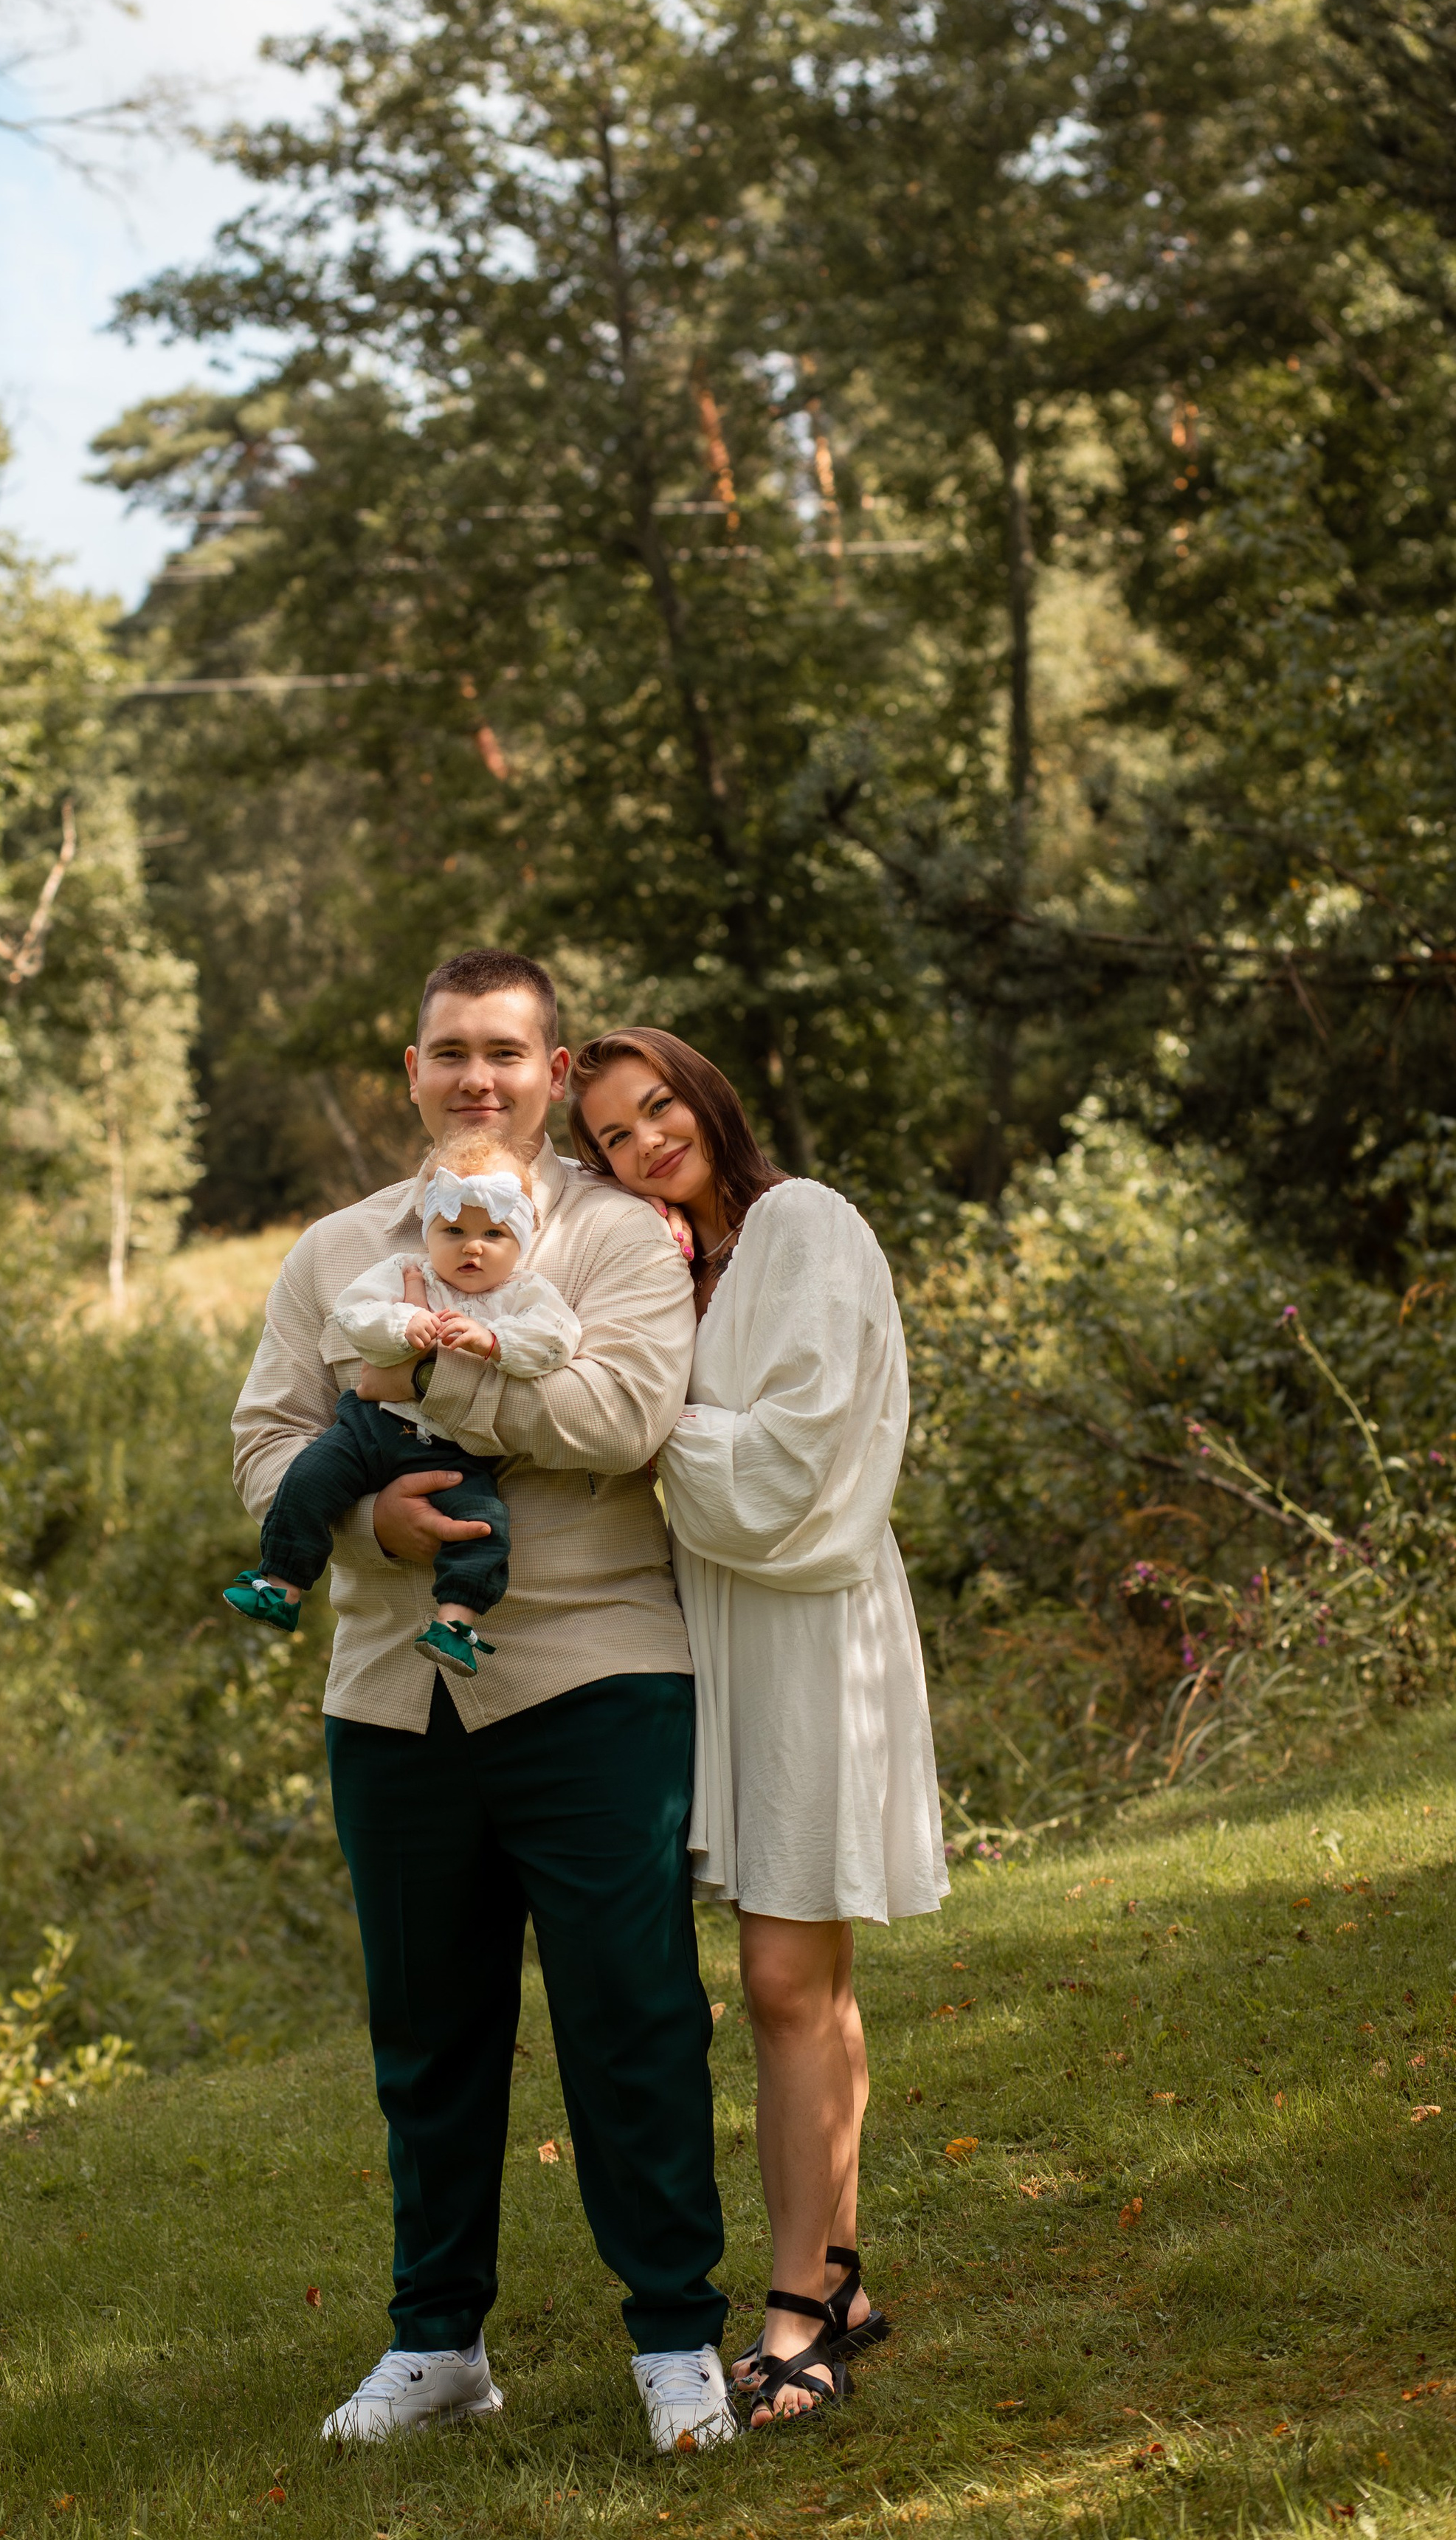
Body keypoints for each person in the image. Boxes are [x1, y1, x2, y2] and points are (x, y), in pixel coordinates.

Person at [231, 953, 738, 2453]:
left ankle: (673, 2341)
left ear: (550, 1061)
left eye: (506, 1052)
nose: (478, 1078)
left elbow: (620, 1417)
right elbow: (267, 1439)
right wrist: (363, 1517)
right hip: (389, 1695)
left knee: (628, 2017)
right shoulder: (335, 1251)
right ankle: (436, 2342)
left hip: (593, 1674)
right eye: (449, 1051)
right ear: (410, 1068)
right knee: (427, 2038)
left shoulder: (618, 1237)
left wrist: (410, 1397)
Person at [571, 1028, 947, 2429]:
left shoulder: (804, 1227)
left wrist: (649, 1422)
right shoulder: (684, 1266)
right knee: (802, 1981)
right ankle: (836, 2280)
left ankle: (799, 2309)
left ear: (705, 1096)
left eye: (658, 1107)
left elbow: (790, 1474)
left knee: (790, 1980)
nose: (645, 1142)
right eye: (611, 1136)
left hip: (807, 1629)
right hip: (719, 1634)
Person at [221, 1128, 582, 1676]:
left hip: (456, 1452)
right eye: (454, 1230)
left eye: (494, 1234)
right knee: (309, 1479)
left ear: (522, 1240)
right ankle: (281, 1584)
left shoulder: (525, 1295)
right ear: (429, 1229)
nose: (472, 1246)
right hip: (371, 1428)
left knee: (486, 1528)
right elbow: (355, 1313)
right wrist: (402, 1323)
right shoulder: (403, 1273)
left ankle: (455, 1623)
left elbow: (558, 1340)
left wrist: (495, 1341)